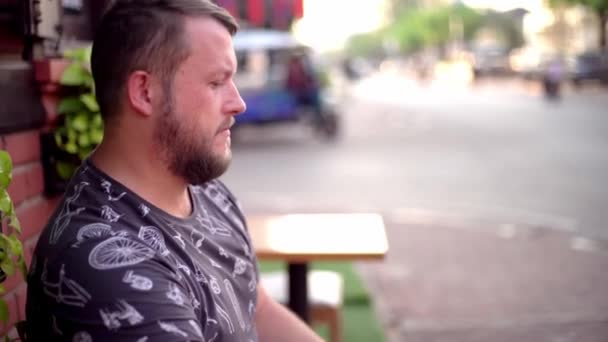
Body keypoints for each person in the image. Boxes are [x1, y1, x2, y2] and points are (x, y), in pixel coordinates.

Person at [25, 1, 323, 341]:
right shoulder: (103, 264)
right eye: (216, 82)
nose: (238, 102)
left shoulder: (207, 192)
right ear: (144, 92)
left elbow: (261, 309)